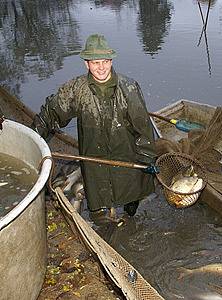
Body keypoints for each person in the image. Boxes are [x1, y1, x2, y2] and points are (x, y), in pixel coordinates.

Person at [32, 34, 158, 225]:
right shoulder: (76, 89)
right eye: (95, 62)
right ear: (86, 64)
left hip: (126, 158)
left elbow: (144, 130)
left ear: (111, 61)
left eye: (105, 61)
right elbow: (51, 113)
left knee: (132, 199)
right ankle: (103, 218)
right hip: (94, 161)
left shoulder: (129, 88)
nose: (101, 67)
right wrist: (33, 138)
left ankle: (130, 210)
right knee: (99, 207)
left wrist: (147, 159)